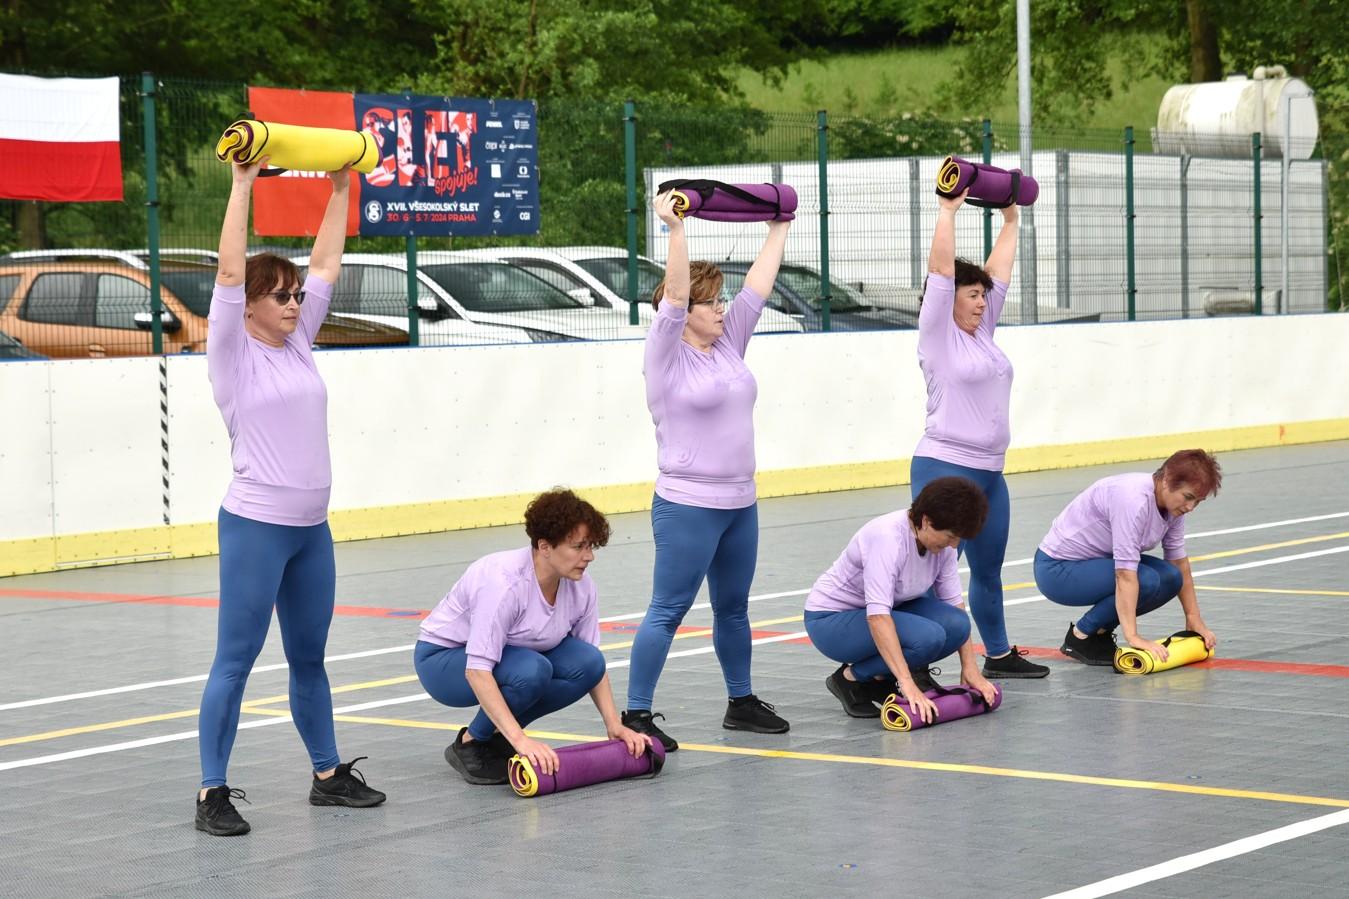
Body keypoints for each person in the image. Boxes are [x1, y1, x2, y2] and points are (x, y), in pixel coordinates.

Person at [196, 159, 385, 837]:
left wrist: (341, 186)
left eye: (296, 295)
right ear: (247, 306)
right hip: (256, 528)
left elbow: (327, 260)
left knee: (309, 658)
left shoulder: (299, 341)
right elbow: (227, 270)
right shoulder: (232, 354)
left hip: (311, 531)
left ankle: (327, 775)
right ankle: (212, 790)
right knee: (236, 661)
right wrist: (242, 184)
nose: (293, 303)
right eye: (279, 295)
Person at [621, 191, 792, 752]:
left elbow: (759, 286)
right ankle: (636, 714)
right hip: (688, 505)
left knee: (734, 608)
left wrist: (779, 225)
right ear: (683, 315)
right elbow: (674, 294)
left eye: (720, 301)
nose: (721, 309)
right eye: (710, 303)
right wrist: (675, 228)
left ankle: (741, 702)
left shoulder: (729, 343)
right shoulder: (665, 354)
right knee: (668, 609)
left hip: (741, 503)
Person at [415, 489, 649, 785]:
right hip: (443, 662)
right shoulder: (504, 584)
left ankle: (496, 737)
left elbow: (592, 667)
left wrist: (614, 724)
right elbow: (477, 671)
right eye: (578, 546)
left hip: (513, 658)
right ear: (544, 546)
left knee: (589, 663)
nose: (589, 556)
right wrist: (521, 740)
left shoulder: (582, 586)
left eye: (591, 546)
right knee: (532, 670)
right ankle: (471, 742)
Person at [908, 189, 1048, 679]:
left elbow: (998, 271)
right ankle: (914, 661)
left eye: (984, 297)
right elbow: (941, 272)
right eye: (973, 295)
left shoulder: (981, 334)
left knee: (988, 570)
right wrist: (947, 211)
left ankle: (999, 654)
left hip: (990, 473)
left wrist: (1010, 219)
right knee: (932, 576)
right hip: (946, 468)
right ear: (948, 300)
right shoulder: (938, 335)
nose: (982, 303)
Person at [804, 477, 999, 721]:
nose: (954, 545)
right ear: (926, 521)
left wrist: (970, 668)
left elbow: (954, 605)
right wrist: (908, 683)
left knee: (958, 625)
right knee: (927, 637)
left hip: (884, 613)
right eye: (950, 536)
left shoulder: (943, 546)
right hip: (831, 622)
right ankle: (849, 679)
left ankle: (880, 678)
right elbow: (877, 617)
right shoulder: (887, 538)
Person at [1035, 450, 1222, 666]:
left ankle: (1099, 633)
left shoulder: (1173, 507)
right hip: (1057, 570)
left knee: (1171, 577)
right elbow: (1125, 574)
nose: (1190, 507)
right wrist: (1133, 637)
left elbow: (1178, 562)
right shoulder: (1133, 499)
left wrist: (1193, 618)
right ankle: (1081, 635)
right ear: (1167, 480)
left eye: (1198, 501)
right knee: (1146, 580)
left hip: (1095, 564)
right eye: (1188, 497)